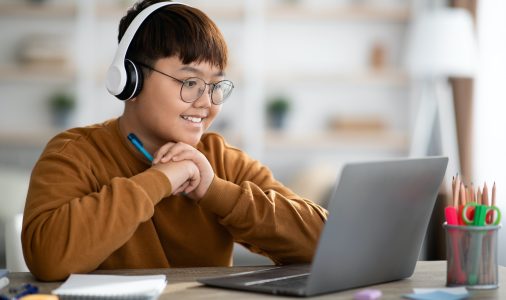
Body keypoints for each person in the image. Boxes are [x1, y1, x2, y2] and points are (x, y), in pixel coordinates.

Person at [22, 0, 328, 281]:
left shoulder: (219, 159)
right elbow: (49, 259)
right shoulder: (74, 154)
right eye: (190, 82)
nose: (207, 102)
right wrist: (161, 179)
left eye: (215, 85)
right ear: (130, 79)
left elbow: (327, 241)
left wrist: (215, 191)